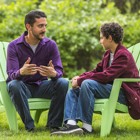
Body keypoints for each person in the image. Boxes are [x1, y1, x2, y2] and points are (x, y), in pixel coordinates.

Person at [50, 22, 140, 136]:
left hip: (124, 95)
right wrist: (80, 77)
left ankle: (86, 127)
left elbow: (107, 75)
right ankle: (71, 124)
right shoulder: (108, 54)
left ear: (110, 38)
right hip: (111, 90)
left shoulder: (123, 55)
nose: (100, 41)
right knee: (73, 91)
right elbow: (97, 71)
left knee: (88, 84)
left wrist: (81, 80)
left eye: (102, 38)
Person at [6, 10, 68, 132]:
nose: (44, 29)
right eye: (40, 26)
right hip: (22, 87)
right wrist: (21, 72)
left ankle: (53, 125)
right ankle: (30, 126)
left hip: (42, 86)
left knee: (63, 83)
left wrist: (53, 73)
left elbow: (59, 71)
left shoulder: (51, 45)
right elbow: (11, 74)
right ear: (28, 27)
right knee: (14, 85)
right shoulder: (13, 46)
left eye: (45, 26)